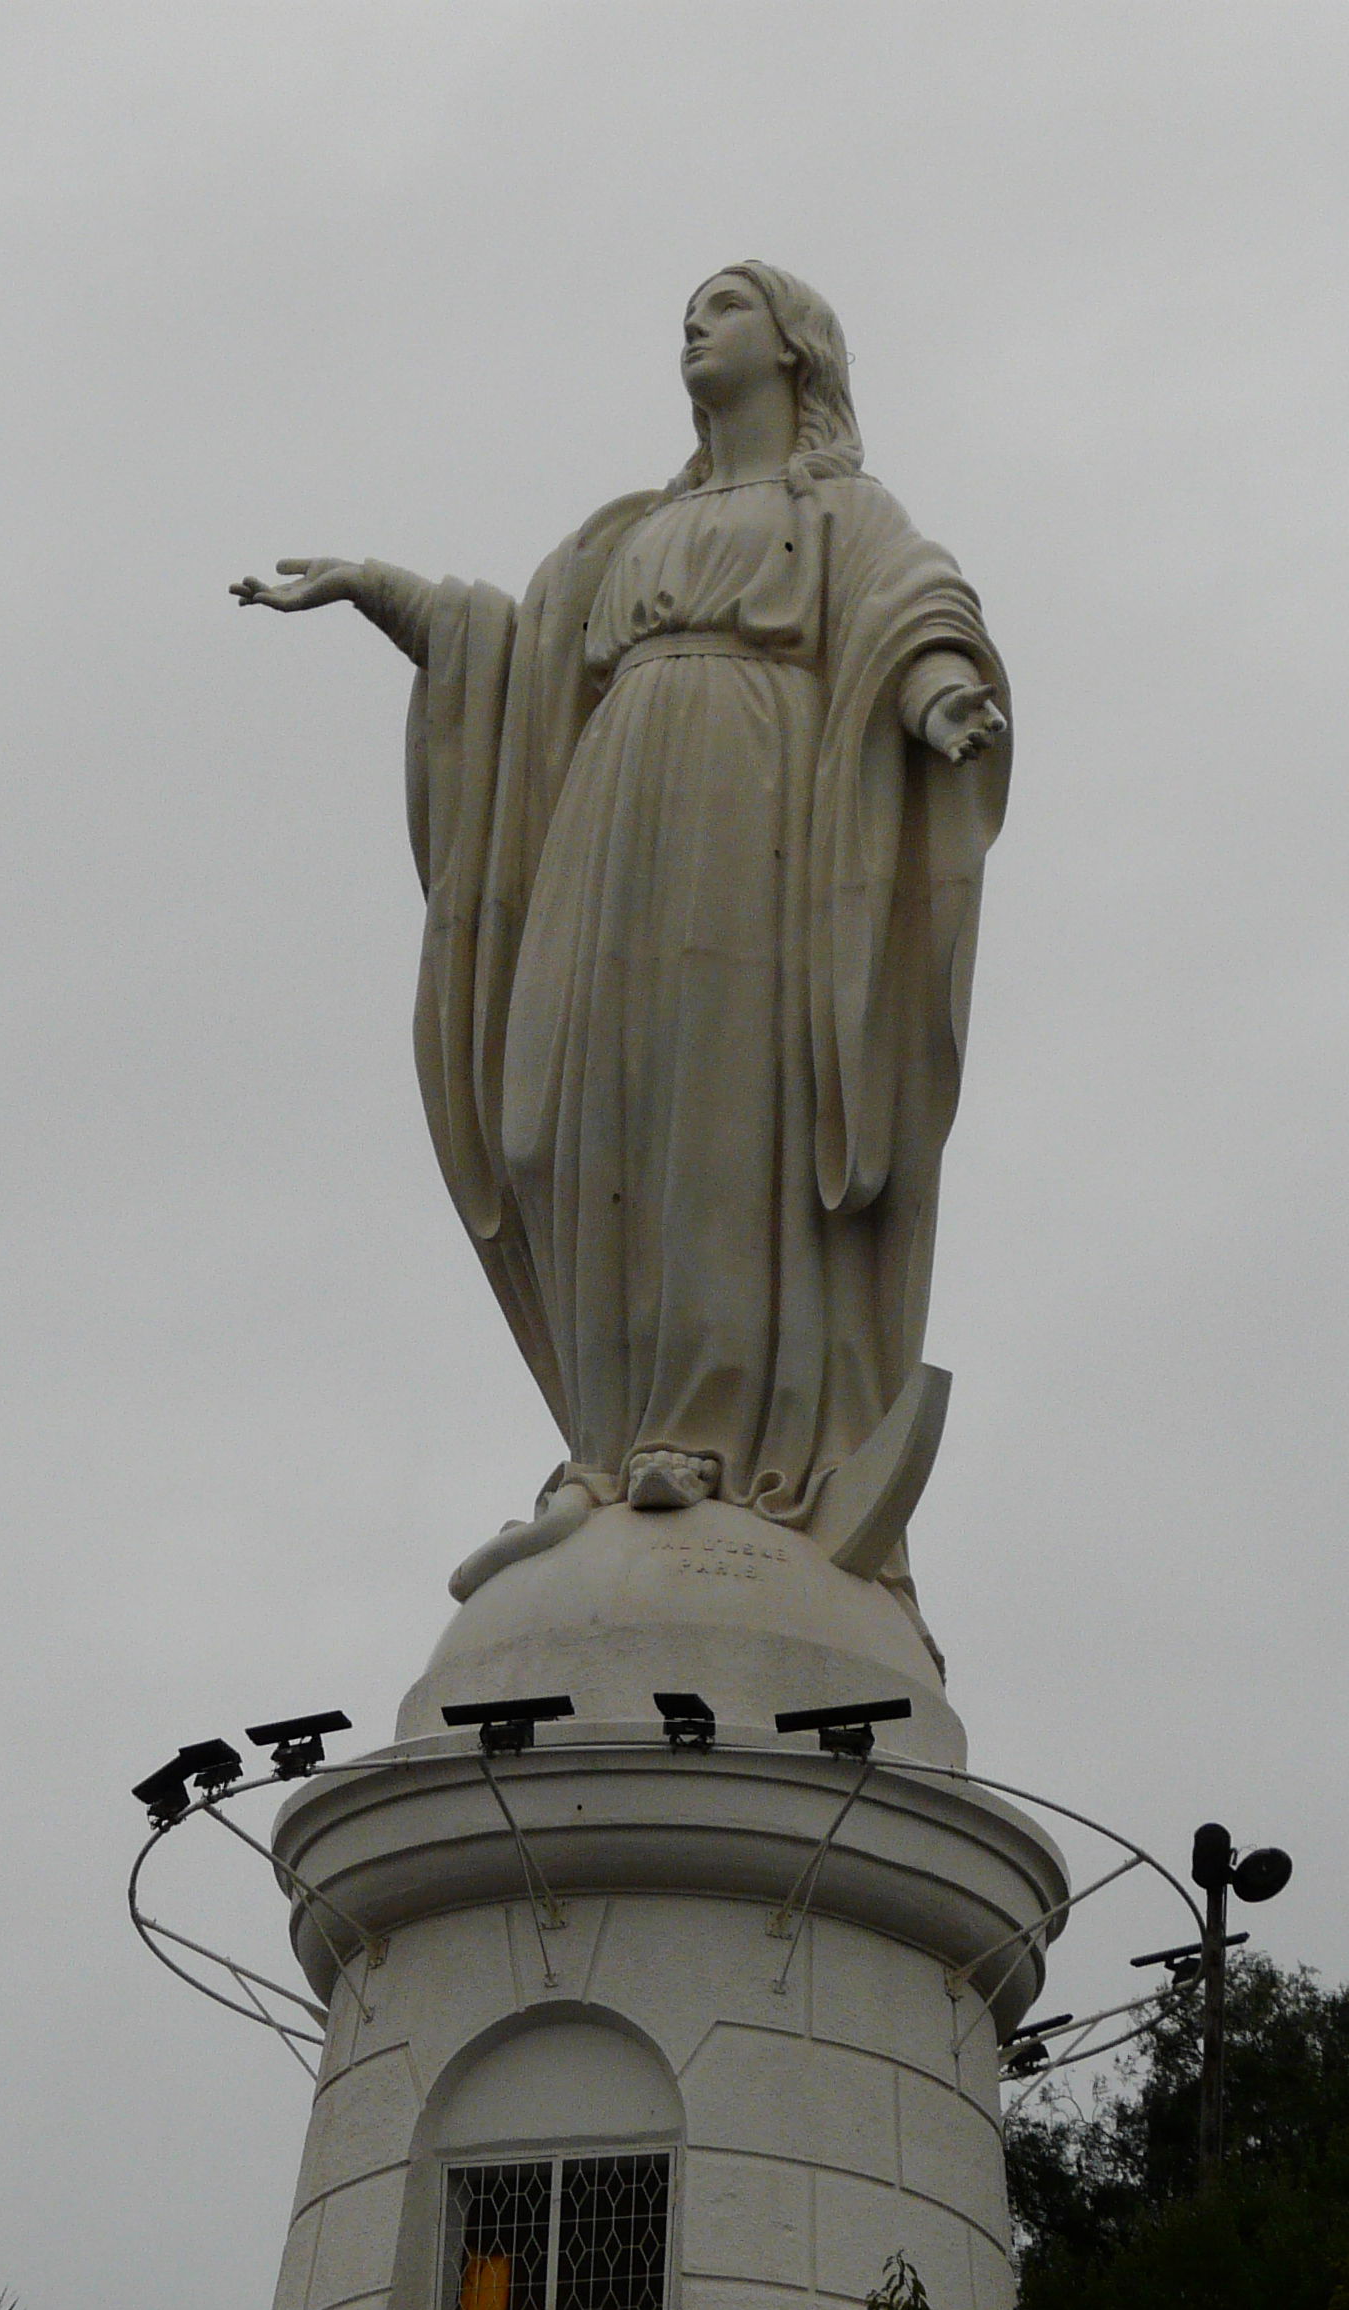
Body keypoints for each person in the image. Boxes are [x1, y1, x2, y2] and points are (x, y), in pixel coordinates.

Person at [235, 262, 1010, 1598]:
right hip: (614, 811)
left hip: (753, 801)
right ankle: (602, 1445)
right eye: (690, 315)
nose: (695, 327)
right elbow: (527, 659)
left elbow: (915, 612)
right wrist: (392, 594)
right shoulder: (632, 531)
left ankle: (701, 1441)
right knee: (573, 1113)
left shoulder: (838, 510)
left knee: (717, 1113)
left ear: (794, 350)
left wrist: (939, 700)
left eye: (726, 307)